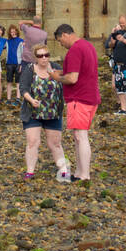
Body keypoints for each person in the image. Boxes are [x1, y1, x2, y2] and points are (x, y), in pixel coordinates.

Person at [52, 24, 100, 182]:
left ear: (65, 35)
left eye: (60, 41)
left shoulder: (74, 50)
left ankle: (84, 174)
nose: (61, 44)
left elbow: (72, 78)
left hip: (79, 98)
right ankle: (80, 172)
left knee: (80, 136)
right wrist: (61, 73)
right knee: (79, 135)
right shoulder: (88, 46)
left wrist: (56, 77)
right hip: (90, 96)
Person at [19, 43, 71, 182]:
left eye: (46, 55)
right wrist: (31, 100)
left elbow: (67, 82)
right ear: (35, 57)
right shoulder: (30, 69)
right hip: (33, 112)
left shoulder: (56, 68)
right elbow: (23, 88)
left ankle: (64, 171)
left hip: (53, 112)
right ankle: (30, 171)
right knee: (32, 142)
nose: (44, 58)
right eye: (40, 56)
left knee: (55, 143)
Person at [16, 16, 49, 114]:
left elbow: (20, 22)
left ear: (32, 23)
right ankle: (38, 102)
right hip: (37, 59)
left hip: (26, 59)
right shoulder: (44, 34)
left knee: (24, 81)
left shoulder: (28, 29)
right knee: (37, 81)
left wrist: (29, 21)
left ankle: (26, 102)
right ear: (41, 23)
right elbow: (45, 46)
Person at [4, 26, 23, 103]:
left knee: (18, 82)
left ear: (17, 31)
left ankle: (18, 99)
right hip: (9, 64)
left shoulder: (21, 41)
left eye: (14, 31)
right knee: (9, 82)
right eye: (11, 32)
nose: (13, 33)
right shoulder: (7, 41)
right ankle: (9, 99)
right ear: (9, 33)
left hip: (18, 64)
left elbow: (23, 53)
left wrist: (22, 64)